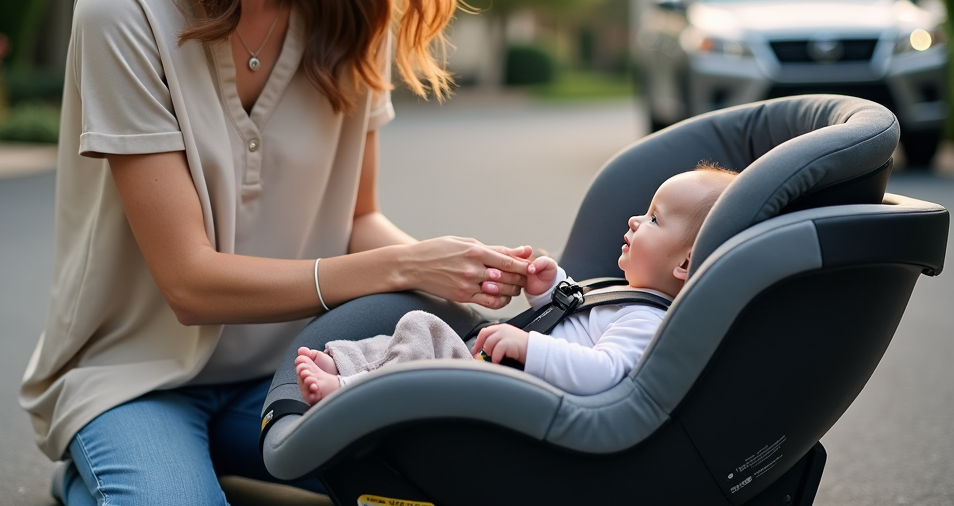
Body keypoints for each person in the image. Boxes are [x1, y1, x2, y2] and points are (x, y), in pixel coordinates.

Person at [18, 0, 533, 506]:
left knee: (431, 478)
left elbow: (357, 220)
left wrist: (470, 279)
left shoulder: (355, 15)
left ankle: (206, 458)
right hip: (135, 376)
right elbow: (188, 283)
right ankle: (97, 467)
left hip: (288, 371)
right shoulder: (124, 10)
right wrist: (403, 270)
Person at [295, 164, 738, 403]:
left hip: (510, 396)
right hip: (497, 372)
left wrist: (529, 347)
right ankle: (349, 363)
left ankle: (347, 393)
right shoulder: (628, 301)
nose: (635, 219)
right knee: (416, 336)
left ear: (684, 264)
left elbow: (601, 372)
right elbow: (578, 326)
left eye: (654, 219)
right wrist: (552, 288)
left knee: (422, 334)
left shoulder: (648, 322)